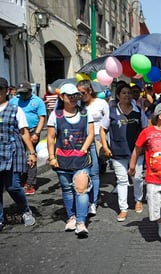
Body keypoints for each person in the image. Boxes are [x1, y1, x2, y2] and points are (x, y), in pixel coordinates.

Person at [128, 102, 161, 252]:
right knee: (155, 209)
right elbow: (137, 149)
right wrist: (132, 166)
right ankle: (160, 223)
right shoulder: (147, 132)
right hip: (152, 179)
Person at [47, 83, 94, 238]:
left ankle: (81, 222)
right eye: (70, 96)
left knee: (81, 189)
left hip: (80, 159)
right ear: (62, 97)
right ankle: (71, 217)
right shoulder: (56, 115)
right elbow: (51, 137)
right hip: (62, 159)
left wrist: (84, 149)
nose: (74, 98)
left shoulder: (85, 113)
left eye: (76, 95)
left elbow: (91, 134)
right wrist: (52, 157)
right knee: (67, 190)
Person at [100, 82, 148, 221]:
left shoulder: (138, 111)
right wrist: (105, 146)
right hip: (118, 152)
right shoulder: (112, 111)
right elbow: (103, 130)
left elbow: (145, 129)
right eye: (123, 93)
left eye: (129, 93)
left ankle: (138, 200)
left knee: (137, 178)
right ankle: (123, 209)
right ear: (118, 96)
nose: (127, 95)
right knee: (122, 180)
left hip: (136, 152)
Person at [0, 77, 36, 231]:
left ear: (7, 91)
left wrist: (32, 153)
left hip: (12, 152)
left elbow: (24, 132)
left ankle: (25, 210)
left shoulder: (15, 110)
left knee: (13, 186)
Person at [78, 80, 110, 215]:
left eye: (82, 93)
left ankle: (93, 200)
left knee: (95, 171)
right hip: (82, 140)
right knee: (84, 172)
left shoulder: (101, 103)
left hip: (97, 138)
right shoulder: (78, 105)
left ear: (90, 91)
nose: (80, 96)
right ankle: (88, 197)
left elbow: (107, 122)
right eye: (78, 93)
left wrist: (104, 142)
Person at [10, 82, 47, 195]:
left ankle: (30, 184)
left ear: (30, 91)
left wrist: (37, 133)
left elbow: (42, 118)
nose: (23, 96)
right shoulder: (14, 101)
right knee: (18, 157)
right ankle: (20, 180)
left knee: (30, 156)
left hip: (32, 131)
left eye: (25, 93)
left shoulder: (37, 101)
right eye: (20, 93)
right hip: (17, 132)